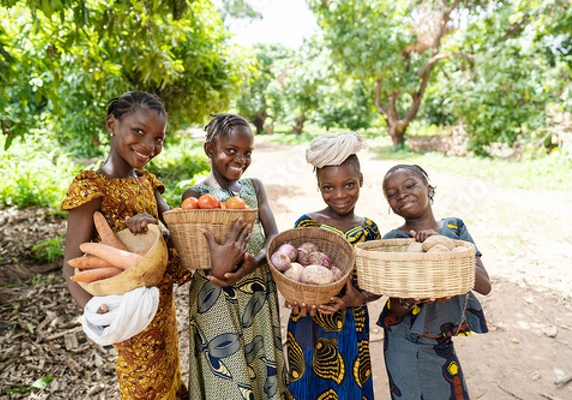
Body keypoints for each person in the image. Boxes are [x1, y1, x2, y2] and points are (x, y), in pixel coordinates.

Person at [61, 91, 250, 400]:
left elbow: (179, 232)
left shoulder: (147, 182)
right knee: (143, 387)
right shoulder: (92, 187)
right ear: (112, 125)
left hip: (160, 306)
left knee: (168, 377)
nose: (149, 145)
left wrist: (160, 230)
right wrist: (101, 318)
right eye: (139, 131)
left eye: (158, 138)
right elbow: (72, 263)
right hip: (127, 312)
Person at [182, 113, 288, 399]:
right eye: (231, 151)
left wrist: (256, 261)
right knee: (227, 373)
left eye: (247, 153)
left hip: (257, 291)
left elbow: (273, 237)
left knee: (259, 363)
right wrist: (222, 271)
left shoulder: (254, 188)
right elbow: (195, 250)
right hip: (215, 295)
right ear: (209, 149)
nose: (240, 159)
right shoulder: (195, 195)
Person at [377, 164, 492, 399]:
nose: (402, 194)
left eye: (410, 185)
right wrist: (410, 298)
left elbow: (484, 285)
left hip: (441, 342)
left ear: (429, 189)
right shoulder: (394, 241)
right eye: (392, 193)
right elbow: (396, 310)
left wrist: (444, 246)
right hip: (406, 343)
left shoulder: (454, 228)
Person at [285, 132, 382, 400]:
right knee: (306, 384)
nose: (340, 195)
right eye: (329, 187)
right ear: (319, 187)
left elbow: (380, 285)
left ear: (361, 180)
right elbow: (291, 272)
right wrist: (295, 297)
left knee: (349, 385)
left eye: (349, 184)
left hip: (352, 325)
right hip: (307, 325)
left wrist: (358, 298)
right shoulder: (307, 225)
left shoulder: (369, 230)